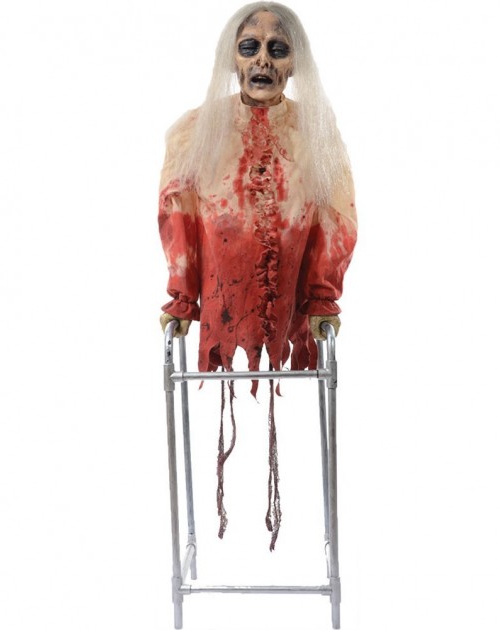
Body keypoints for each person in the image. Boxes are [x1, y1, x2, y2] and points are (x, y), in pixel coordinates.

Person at [158, 2, 357, 549]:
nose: (263, 61)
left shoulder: (317, 133)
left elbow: (336, 217)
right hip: (224, 302)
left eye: (277, 49)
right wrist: (182, 299)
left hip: (291, 305)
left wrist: (322, 298)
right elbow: (178, 216)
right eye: (250, 48)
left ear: (294, 63)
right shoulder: (193, 133)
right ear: (233, 58)